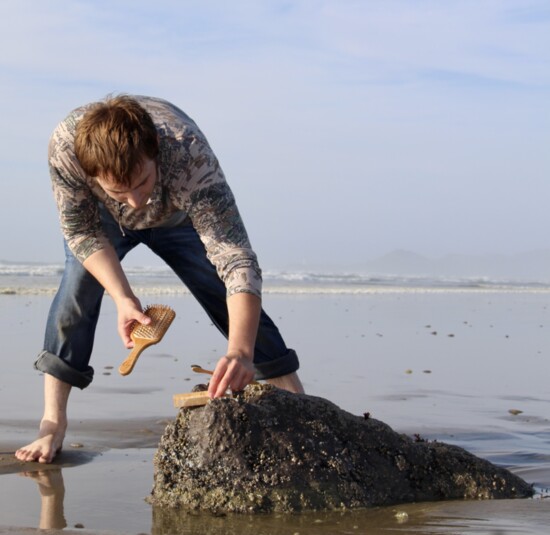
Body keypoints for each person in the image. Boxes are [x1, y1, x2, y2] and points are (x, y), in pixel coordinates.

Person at [15, 95, 304, 464]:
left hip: (177, 217)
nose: (135, 201)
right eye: (119, 190)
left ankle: (299, 402)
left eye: (142, 182)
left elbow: (235, 258)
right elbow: (81, 232)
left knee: (222, 289)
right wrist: (123, 298)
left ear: (156, 154)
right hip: (103, 223)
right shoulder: (66, 149)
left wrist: (240, 352)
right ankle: (52, 422)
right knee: (76, 290)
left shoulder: (187, 153)